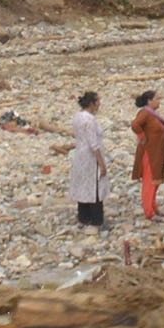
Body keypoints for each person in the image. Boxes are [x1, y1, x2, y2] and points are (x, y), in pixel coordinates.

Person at [68, 91, 107, 229]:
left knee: (83, 186)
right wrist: (101, 164)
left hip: (80, 154)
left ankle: (83, 217)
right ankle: (97, 220)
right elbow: (93, 143)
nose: (99, 104)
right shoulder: (89, 119)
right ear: (92, 103)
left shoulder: (77, 117)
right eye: (97, 101)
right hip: (90, 157)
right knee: (95, 186)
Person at [130, 90, 164, 220]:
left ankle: (153, 206)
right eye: (157, 99)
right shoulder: (145, 113)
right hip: (149, 153)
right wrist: (142, 136)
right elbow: (135, 124)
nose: (159, 101)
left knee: (156, 180)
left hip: (157, 152)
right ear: (149, 101)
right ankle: (149, 211)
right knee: (150, 181)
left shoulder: (153, 115)